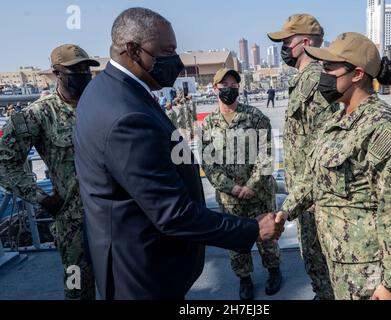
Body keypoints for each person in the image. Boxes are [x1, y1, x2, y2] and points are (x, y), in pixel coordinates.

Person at [73, 7, 282, 300]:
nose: (176, 60)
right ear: (133, 50)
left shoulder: (107, 92)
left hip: (134, 255)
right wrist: (252, 230)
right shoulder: (125, 115)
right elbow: (172, 213)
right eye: (167, 50)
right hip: (142, 270)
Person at [276, 32, 391, 300]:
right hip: (337, 258)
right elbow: (316, 177)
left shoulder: (382, 128)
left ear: (357, 74)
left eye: (329, 68)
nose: (322, 76)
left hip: (366, 269)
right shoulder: (337, 118)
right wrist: (285, 211)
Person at [0, 44, 98, 300]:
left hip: (116, 216)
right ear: (58, 73)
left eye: (86, 68)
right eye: (75, 69)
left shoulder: (103, 105)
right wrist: (41, 198)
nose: (84, 73)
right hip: (74, 222)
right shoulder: (38, 114)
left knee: (126, 284)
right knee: (79, 289)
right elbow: (4, 163)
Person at [267, 13, 336, 300]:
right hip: (306, 197)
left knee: (325, 266)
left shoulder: (317, 82)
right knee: (317, 263)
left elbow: (324, 150)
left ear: (305, 43)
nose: (284, 47)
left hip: (316, 200)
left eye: (287, 41)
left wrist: (296, 200)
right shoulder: (304, 81)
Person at [202, 68, 281, 300]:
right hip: (230, 199)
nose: (230, 89)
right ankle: (244, 280)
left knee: (268, 238)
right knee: (237, 242)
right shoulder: (208, 125)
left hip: (259, 195)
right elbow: (209, 164)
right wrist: (232, 188)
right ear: (215, 88)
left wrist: (251, 185)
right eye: (224, 85)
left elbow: (266, 156)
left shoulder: (256, 117)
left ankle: (274, 271)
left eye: (234, 85)